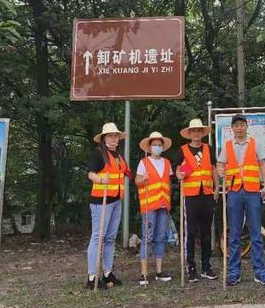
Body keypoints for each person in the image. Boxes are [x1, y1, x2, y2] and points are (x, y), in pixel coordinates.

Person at [217, 114, 265, 286]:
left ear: (247, 126)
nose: (239, 128)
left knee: (256, 233)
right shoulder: (227, 146)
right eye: (236, 125)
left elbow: (262, 164)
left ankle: (260, 272)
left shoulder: (255, 143)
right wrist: (220, 172)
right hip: (234, 191)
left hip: (253, 191)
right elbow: (220, 165)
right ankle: (234, 272)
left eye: (242, 125)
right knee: (234, 233)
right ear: (232, 128)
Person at [87, 123, 131, 290]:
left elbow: (125, 173)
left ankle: (107, 273)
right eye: (111, 135)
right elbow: (90, 173)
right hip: (100, 201)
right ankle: (92, 277)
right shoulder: (98, 153)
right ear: (104, 138)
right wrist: (100, 179)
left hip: (116, 199)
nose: (114, 138)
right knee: (98, 237)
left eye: (116, 136)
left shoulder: (118, 155)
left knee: (110, 238)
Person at [175, 119, 219, 282]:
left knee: (207, 232)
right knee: (191, 232)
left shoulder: (208, 148)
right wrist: (179, 173)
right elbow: (177, 168)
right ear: (189, 133)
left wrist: (217, 187)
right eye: (193, 131)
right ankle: (191, 266)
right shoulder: (183, 150)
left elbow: (213, 168)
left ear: (202, 133)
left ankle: (206, 266)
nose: (196, 133)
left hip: (207, 194)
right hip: (191, 196)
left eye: (199, 131)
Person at [135, 131, 173, 286]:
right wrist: (142, 179)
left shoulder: (167, 162)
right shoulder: (144, 162)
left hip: (164, 204)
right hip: (149, 204)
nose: (157, 147)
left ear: (162, 147)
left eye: (159, 145)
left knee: (160, 237)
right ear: (149, 147)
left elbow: (168, 182)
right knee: (147, 237)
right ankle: (144, 273)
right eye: (154, 145)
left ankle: (158, 271)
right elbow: (137, 181)